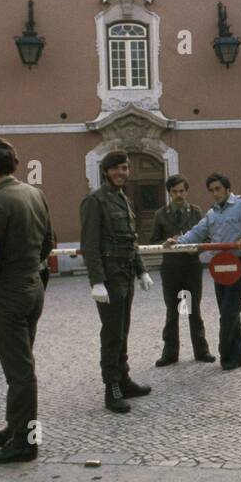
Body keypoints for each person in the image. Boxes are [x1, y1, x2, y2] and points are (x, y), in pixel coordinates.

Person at [0, 137, 55, 463]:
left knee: (20, 372)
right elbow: (49, 242)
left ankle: (25, 442)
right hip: (32, 288)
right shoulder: (35, 194)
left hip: (7, 294)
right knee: (20, 368)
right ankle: (15, 427)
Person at [167, 172, 241, 370]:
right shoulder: (212, 213)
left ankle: (227, 357)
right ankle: (239, 356)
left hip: (239, 263)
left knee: (230, 312)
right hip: (219, 266)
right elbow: (196, 232)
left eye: (218, 189)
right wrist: (177, 241)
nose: (215, 194)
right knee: (228, 310)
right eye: (212, 191)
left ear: (227, 189)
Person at [80, 149, 155, 414]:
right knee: (111, 333)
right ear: (105, 171)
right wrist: (96, 281)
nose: (122, 173)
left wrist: (142, 270)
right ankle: (111, 387)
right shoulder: (95, 200)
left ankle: (123, 379)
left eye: (124, 168)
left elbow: (131, 240)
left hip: (125, 273)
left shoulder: (123, 199)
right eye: (116, 169)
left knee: (123, 330)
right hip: (109, 278)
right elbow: (89, 244)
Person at [149, 174, 215, 366]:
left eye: (182, 191)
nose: (179, 194)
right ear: (169, 193)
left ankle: (201, 351)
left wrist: (195, 243)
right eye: (175, 191)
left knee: (194, 310)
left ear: (187, 191)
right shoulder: (160, 214)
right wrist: (165, 242)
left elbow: (206, 237)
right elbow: (153, 240)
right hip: (170, 268)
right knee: (172, 311)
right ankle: (170, 354)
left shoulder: (195, 212)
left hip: (191, 267)